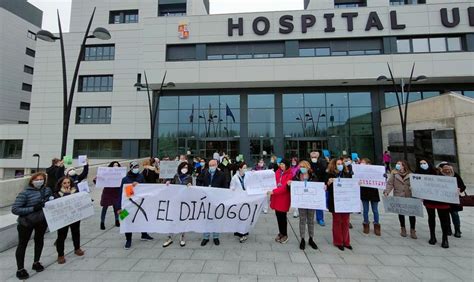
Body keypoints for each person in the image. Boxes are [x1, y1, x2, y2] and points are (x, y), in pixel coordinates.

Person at [12, 172, 52, 280]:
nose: (39, 181)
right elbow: (15, 209)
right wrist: (33, 208)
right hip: (26, 222)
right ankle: (20, 269)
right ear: (31, 181)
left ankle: (36, 262)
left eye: (41, 179)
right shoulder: (25, 193)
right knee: (22, 244)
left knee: (39, 241)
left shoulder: (47, 190)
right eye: (37, 179)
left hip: (41, 221)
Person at [117, 161, 154, 249]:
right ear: (131, 168)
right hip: (127, 205)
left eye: (137, 167)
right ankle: (128, 240)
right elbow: (121, 194)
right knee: (126, 221)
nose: (136, 169)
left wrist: (139, 185)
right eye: (134, 167)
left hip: (139, 203)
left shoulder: (140, 176)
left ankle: (144, 234)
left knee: (142, 218)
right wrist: (118, 207)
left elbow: (145, 188)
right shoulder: (125, 179)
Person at [416, 160, 450, 248]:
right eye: (420, 164)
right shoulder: (418, 173)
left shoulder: (439, 172)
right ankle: (432, 236)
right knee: (431, 218)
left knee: (444, 220)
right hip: (430, 200)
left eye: (424, 163)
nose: (422, 165)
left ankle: (445, 238)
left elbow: (457, 184)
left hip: (442, 200)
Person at [196, 159, 229, 246]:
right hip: (206, 199)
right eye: (210, 165)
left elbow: (225, 186)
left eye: (213, 165)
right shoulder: (204, 172)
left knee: (216, 218)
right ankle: (206, 237)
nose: (212, 167)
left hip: (217, 199)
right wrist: (202, 188)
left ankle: (216, 237)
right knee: (206, 218)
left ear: (217, 165)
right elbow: (198, 181)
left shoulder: (221, 174)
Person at [54, 176, 85, 264]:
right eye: (64, 183)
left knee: (76, 232)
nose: (67, 185)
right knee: (61, 236)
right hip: (63, 218)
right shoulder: (57, 193)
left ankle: (77, 248)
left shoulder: (75, 191)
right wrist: (66, 194)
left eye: (68, 183)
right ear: (61, 184)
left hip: (74, 215)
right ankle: (60, 255)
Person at [384, 160, 417, 239]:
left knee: (412, 214)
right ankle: (403, 228)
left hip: (409, 196)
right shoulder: (394, 174)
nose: (397, 165)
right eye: (397, 163)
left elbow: (416, 185)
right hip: (399, 195)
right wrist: (387, 192)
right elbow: (390, 183)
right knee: (401, 213)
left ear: (404, 165)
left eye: (399, 164)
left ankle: (413, 230)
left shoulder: (411, 174)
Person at [163, 162, 192, 247]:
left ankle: (182, 237)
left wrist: (190, 185)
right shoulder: (176, 176)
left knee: (182, 219)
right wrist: (168, 182)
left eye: (186, 167)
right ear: (180, 168)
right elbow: (171, 183)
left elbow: (191, 188)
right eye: (183, 167)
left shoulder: (189, 177)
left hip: (184, 201)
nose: (185, 169)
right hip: (175, 200)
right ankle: (169, 238)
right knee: (172, 219)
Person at [326, 158, 353, 251]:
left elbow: (352, 185)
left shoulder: (347, 174)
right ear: (334, 165)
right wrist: (329, 183)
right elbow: (327, 188)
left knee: (346, 221)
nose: (340, 165)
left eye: (341, 163)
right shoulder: (330, 174)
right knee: (337, 221)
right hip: (335, 201)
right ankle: (338, 241)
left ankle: (346, 241)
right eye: (338, 164)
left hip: (346, 201)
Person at [293, 160, 319, 250]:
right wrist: (289, 184)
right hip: (301, 201)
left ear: (308, 167)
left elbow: (317, 186)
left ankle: (311, 238)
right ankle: (302, 238)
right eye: (301, 167)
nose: (302, 168)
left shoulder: (313, 175)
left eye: (304, 166)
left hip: (311, 202)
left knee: (311, 220)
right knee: (302, 220)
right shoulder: (297, 176)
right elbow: (292, 186)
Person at [438, 162, 466, 238]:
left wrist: (459, 189)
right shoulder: (439, 176)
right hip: (444, 199)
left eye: (448, 169)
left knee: (455, 214)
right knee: (446, 215)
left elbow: (463, 186)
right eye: (445, 169)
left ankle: (457, 230)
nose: (447, 170)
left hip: (454, 199)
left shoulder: (456, 175)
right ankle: (448, 230)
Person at [268, 159, 293, 244]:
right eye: (281, 164)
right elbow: (272, 181)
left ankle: (285, 234)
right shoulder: (277, 172)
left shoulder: (290, 174)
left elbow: (285, 188)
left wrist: (274, 191)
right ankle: (281, 233)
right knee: (278, 216)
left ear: (287, 165)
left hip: (283, 198)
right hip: (276, 198)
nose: (281, 166)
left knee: (283, 217)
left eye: (283, 164)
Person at [96, 161, 122, 230]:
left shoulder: (120, 174)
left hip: (116, 193)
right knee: (105, 208)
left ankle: (117, 220)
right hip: (107, 193)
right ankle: (102, 222)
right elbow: (98, 182)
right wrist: (97, 179)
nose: (115, 166)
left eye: (117, 165)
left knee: (116, 208)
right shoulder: (106, 174)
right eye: (114, 165)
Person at [359, 158, 381, 236]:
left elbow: (381, 179)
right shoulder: (360, 172)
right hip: (364, 192)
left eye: (363, 163)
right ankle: (366, 224)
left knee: (375, 210)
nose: (362, 164)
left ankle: (376, 225)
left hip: (374, 192)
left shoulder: (375, 171)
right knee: (365, 210)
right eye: (361, 163)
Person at [230, 162, 250, 243]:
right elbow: (231, 186)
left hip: (247, 199)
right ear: (240, 169)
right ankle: (240, 233)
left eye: (246, 167)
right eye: (244, 167)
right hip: (238, 199)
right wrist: (232, 189)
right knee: (239, 216)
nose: (245, 169)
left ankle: (244, 232)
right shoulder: (235, 177)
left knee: (245, 216)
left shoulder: (248, 176)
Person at [309, 151, 327, 226]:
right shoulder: (308, 162)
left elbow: (325, 173)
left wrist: (325, 184)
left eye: (315, 154)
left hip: (319, 184)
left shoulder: (322, 162)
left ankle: (320, 218)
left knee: (319, 202)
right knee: (310, 203)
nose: (313, 155)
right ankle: (310, 218)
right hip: (311, 184)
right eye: (312, 154)